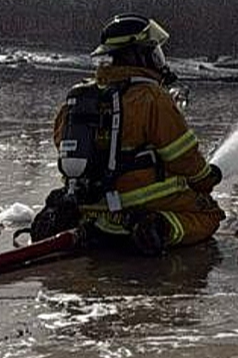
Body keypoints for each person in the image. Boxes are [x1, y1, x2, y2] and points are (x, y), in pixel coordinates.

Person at [31, 14, 224, 254]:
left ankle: (71, 219)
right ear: (138, 55)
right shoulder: (151, 98)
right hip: (138, 204)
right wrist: (206, 179)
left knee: (93, 217)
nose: (158, 59)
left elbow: (61, 141)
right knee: (209, 214)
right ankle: (158, 228)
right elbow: (183, 157)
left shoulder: (81, 97)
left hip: (90, 204)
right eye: (153, 52)